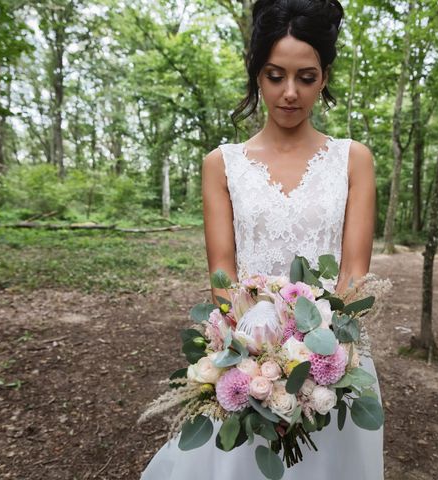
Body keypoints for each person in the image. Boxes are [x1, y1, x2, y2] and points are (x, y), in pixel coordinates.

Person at [141, 0, 383, 478]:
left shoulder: (354, 160)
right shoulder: (222, 164)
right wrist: (256, 365)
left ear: (325, 76)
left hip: (334, 361)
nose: (290, 93)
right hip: (248, 363)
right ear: (256, 73)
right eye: (275, 75)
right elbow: (222, 275)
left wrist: (321, 358)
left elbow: (355, 275)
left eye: (306, 77)